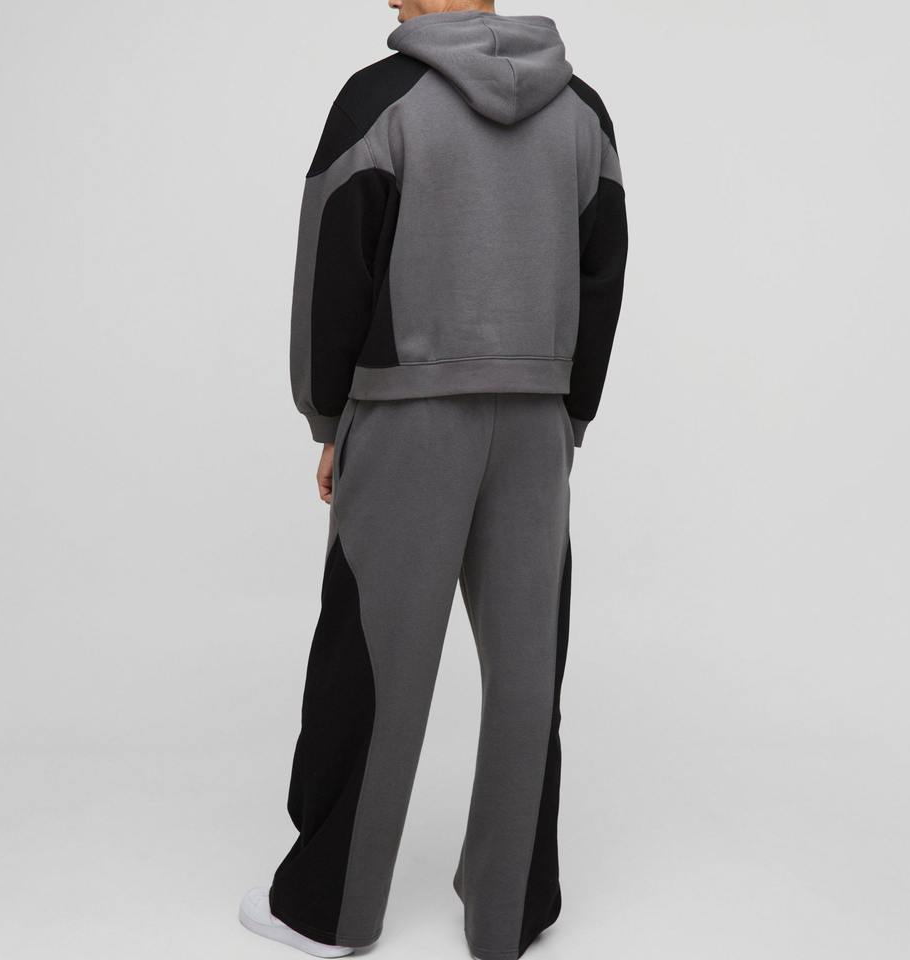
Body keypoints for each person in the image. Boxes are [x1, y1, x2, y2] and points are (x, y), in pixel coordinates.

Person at [239, 0, 628, 957]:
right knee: (528, 669)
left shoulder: (380, 100)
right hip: (536, 421)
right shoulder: (583, 111)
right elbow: (604, 270)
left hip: (408, 416)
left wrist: (328, 417)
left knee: (371, 661)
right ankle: (509, 915)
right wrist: (569, 411)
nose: (387, 1)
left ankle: (329, 910)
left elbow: (334, 263)